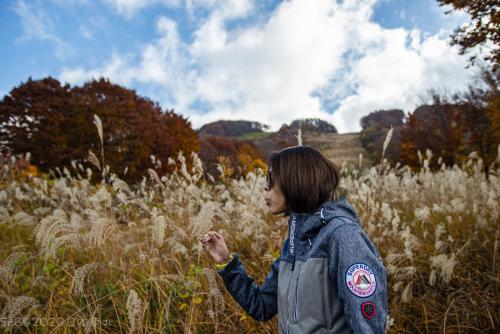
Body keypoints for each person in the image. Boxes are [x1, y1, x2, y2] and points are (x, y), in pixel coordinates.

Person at [200, 145, 388, 333]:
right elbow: (262, 306)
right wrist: (227, 263)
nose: (266, 187)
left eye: (272, 179)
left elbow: (368, 328)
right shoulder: (295, 240)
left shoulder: (343, 236)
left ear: (296, 180)